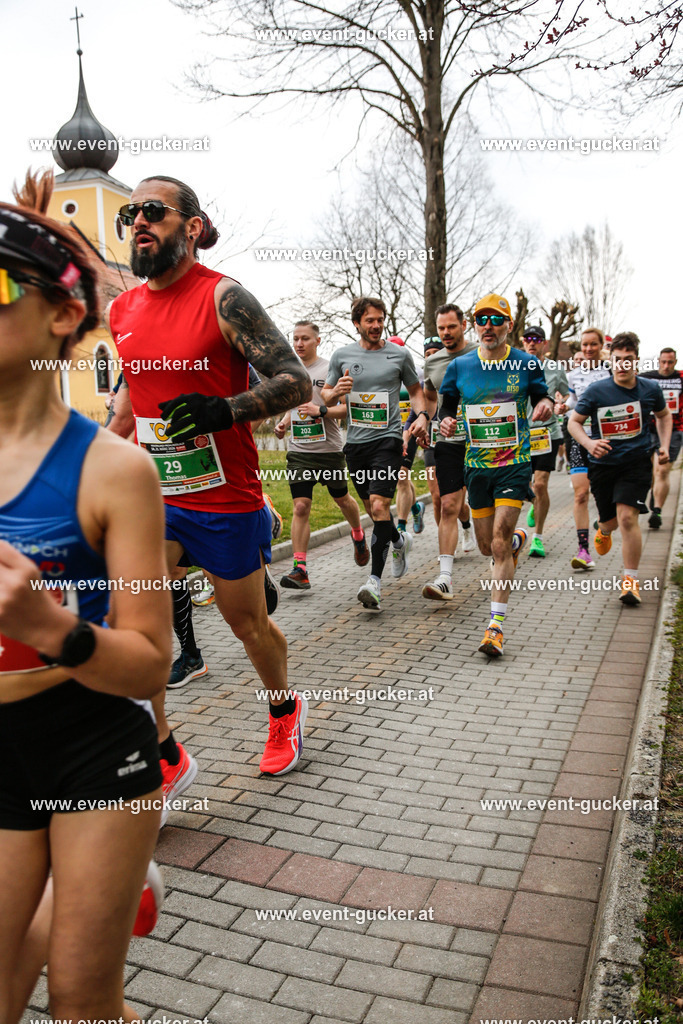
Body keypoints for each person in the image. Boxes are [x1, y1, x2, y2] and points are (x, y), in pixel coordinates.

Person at [0, 170, 171, 1023]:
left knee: (80, 998)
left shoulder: (115, 471)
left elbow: (149, 665)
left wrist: (50, 628)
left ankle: (96, 887)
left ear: (63, 315)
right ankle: (78, 894)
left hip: (90, 743)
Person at [107, 175, 312, 777]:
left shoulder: (225, 298)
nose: (139, 222)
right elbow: (130, 403)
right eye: (130, 214)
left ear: (191, 227)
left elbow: (296, 381)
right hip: (154, 496)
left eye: (153, 211)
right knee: (134, 618)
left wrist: (223, 410)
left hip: (224, 496)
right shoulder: (121, 309)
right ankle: (164, 754)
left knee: (246, 623)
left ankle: (284, 708)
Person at [435, 293, 553, 654]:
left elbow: (543, 396)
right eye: (482, 320)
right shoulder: (460, 367)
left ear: (508, 325)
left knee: (498, 543)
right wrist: (446, 421)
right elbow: (446, 408)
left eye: (496, 320)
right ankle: (517, 542)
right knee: (488, 545)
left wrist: (545, 405)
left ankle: (495, 627)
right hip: (477, 467)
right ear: (475, 325)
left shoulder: (526, 363)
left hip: (514, 464)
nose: (488, 326)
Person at [321, 296, 429, 610]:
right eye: (370, 320)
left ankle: (374, 583)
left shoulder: (399, 354)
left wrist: (422, 415)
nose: (376, 325)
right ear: (357, 323)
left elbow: (416, 390)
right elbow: (326, 396)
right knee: (374, 511)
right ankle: (399, 541)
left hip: (388, 440)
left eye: (380, 319)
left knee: (381, 505)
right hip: (356, 445)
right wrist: (335, 391)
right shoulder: (342, 355)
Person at [569, 332, 671, 605]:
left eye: (628, 359)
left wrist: (663, 445)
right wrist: (589, 444)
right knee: (612, 522)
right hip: (603, 465)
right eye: (617, 359)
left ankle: (630, 582)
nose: (623, 365)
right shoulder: (596, 391)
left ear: (636, 360)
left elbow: (664, 416)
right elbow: (574, 422)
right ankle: (603, 529)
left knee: (627, 518)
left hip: (636, 464)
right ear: (610, 360)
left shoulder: (650, 389)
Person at [274, 320, 368, 589]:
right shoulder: (290, 372)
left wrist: (321, 411)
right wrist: (284, 423)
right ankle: (300, 569)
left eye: (305, 338)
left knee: (342, 499)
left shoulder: (330, 369)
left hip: (329, 450)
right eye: (295, 338)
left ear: (317, 340)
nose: (299, 343)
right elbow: (295, 407)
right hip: (299, 451)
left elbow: (347, 409)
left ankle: (358, 534)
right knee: (301, 506)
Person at [421, 305, 477, 600]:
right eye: (441, 328)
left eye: (451, 327)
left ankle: (502, 548)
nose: (446, 333)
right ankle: (445, 578)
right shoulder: (434, 362)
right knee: (447, 505)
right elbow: (430, 397)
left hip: (484, 442)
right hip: (449, 442)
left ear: (464, 325)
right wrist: (430, 422)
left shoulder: (482, 354)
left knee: (486, 506)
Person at [522, 325, 570, 558]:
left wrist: (561, 405)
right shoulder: (514, 366)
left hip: (547, 433)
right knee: (525, 485)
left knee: (540, 484)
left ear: (545, 344)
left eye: (537, 339)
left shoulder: (555, 368)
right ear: (523, 342)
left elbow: (567, 393)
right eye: (528, 339)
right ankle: (535, 502)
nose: (532, 343)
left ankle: (537, 538)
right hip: (521, 435)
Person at [566, 328, 611, 570]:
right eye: (585, 345)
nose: (588, 349)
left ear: (601, 346)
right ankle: (583, 550)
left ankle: (605, 528)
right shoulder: (573, 375)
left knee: (605, 494)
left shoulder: (611, 372)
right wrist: (563, 406)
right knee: (581, 494)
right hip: (580, 439)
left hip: (606, 440)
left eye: (593, 344)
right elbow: (574, 402)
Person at [641, 347, 683, 529]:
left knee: (663, 470)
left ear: (675, 362)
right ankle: (654, 491)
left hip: (673, 430)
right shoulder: (647, 378)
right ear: (658, 361)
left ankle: (657, 511)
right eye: (663, 362)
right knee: (652, 470)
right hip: (649, 429)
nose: (666, 366)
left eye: (670, 362)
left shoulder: (681, 378)